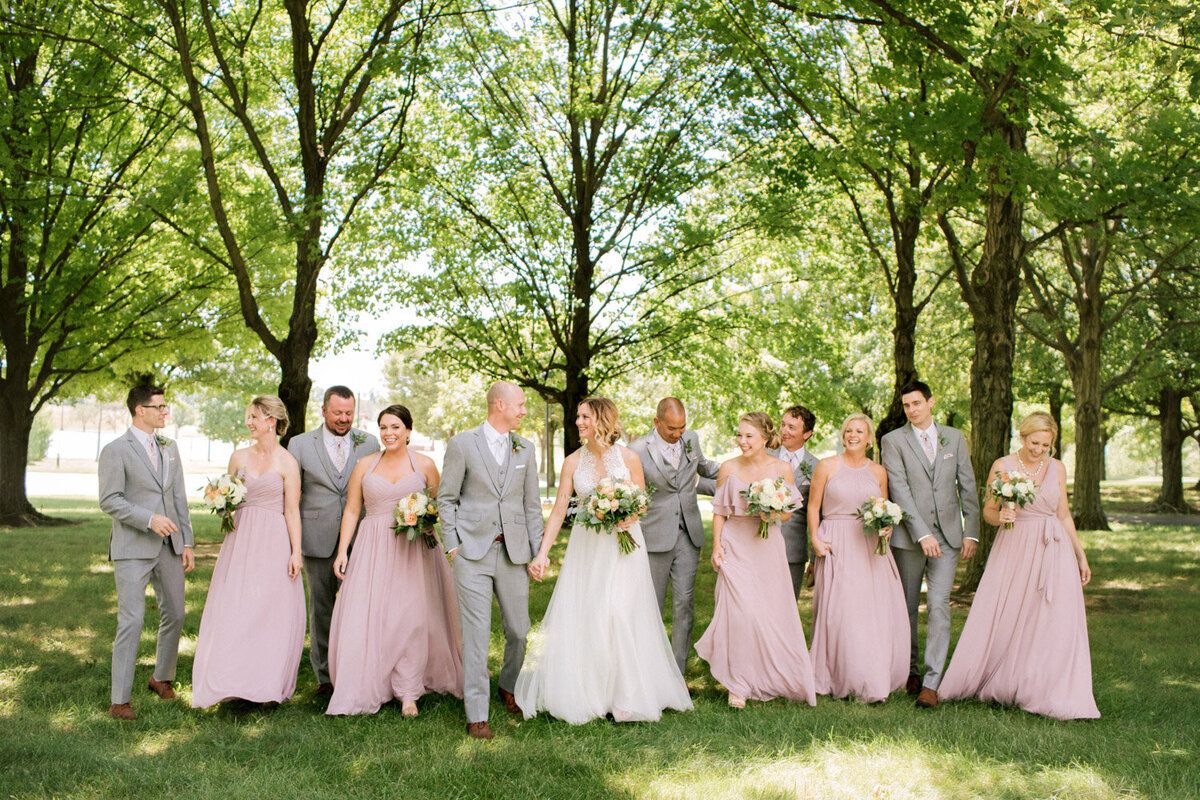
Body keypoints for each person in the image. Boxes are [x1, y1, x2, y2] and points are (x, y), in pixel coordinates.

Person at [516, 397, 692, 724]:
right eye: (578, 416)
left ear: (601, 419)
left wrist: (628, 516)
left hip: (624, 546)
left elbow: (641, 502)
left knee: (621, 613)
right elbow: (557, 513)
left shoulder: (628, 458)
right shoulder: (572, 462)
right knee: (592, 614)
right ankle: (593, 693)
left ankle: (625, 697)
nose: (578, 422)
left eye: (584, 416)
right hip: (588, 547)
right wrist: (542, 554)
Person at [939, 412, 1099, 720]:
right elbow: (988, 510)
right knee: (1010, 612)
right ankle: (1004, 679)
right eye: (1034, 442)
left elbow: (1063, 513)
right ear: (1022, 437)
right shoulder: (1003, 466)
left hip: (1053, 548)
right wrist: (1001, 517)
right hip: (1014, 546)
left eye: (1046, 445)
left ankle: (1045, 686)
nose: (1039, 450)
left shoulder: (1058, 468)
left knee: (1051, 616)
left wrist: (1080, 555)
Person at [326, 405, 463, 716]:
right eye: (384, 427)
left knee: (412, 617)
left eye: (396, 427)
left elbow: (439, 506)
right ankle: (372, 680)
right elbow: (351, 510)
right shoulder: (365, 465)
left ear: (408, 432)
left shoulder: (426, 465)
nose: (389, 433)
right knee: (373, 614)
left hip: (414, 550)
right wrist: (342, 550)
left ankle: (409, 691)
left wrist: (423, 518)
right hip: (372, 547)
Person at [438, 381, 544, 740]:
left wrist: (538, 551)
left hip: (514, 552)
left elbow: (531, 505)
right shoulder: (462, 444)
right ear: (500, 404)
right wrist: (453, 545)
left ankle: (508, 684)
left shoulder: (525, 449)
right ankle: (477, 713)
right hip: (472, 553)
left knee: (518, 629)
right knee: (476, 634)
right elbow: (446, 497)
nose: (524, 411)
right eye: (520, 405)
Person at [694, 412, 816, 708]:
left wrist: (772, 513)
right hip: (735, 545)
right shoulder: (728, 467)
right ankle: (739, 683)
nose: (742, 441)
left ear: (765, 438)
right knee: (740, 613)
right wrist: (716, 547)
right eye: (739, 435)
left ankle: (771, 674)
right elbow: (720, 511)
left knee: (768, 614)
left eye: (749, 436)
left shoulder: (781, 468)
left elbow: (788, 512)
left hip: (767, 546)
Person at [191, 396, 306, 708]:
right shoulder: (238, 457)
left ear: (271, 420)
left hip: (274, 541)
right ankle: (232, 681)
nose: (249, 423)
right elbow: (229, 500)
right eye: (248, 417)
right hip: (241, 540)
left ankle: (265, 685)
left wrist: (296, 552)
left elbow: (292, 511)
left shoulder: (288, 463)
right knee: (237, 607)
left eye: (254, 417)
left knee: (270, 611)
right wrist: (221, 504)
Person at [880, 380, 980, 709]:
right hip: (910, 539)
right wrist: (922, 533)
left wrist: (971, 531)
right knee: (906, 606)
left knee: (938, 605)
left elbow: (967, 484)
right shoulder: (892, 441)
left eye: (917, 404)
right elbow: (899, 488)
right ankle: (909, 670)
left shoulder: (954, 437)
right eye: (907, 405)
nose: (912, 410)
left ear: (931, 402)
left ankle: (932, 682)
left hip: (950, 536)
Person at [98, 385, 195, 720]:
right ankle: (119, 701)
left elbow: (178, 497)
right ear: (140, 410)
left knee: (178, 613)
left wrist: (187, 542)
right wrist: (148, 519)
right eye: (159, 407)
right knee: (132, 620)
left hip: (169, 547)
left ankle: (161, 677)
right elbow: (109, 500)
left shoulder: (170, 447)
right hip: (132, 547)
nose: (165, 412)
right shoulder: (116, 450)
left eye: (165, 406)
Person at [807, 413, 908, 703]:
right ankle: (837, 674)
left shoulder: (878, 472)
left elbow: (884, 507)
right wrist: (815, 539)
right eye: (848, 430)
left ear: (868, 437)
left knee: (868, 611)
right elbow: (814, 508)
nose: (853, 435)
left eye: (859, 431)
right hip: (836, 542)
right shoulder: (827, 466)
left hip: (868, 544)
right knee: (840, 611)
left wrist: (886, 526)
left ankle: (869, 674)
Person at [287, 386, 379, 695]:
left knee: (360, 607)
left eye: (349, 413)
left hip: (361, 540)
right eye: (337, 413)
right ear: (323, 411)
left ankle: (357, 670)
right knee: (322, 608)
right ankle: (325, 678)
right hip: (317, 539)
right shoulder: (299, 444)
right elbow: (290, 496)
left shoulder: (369, 443)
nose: (343, 419)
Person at [628, 397, 720, 676]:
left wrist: (745, 469)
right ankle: (649, 672)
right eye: (671, 428)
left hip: (689, 535)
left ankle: (677, 674)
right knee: (650, 606)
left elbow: (705, 469)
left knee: (685, 604)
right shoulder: (636, 450)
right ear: (656, 422)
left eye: (682, 427)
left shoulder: (691, 439)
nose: (678, 434)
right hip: (654, 536)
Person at [772, 405, 820, 599]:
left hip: (793, 552)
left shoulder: (817, 467)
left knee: (788, 608)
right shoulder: (765, 455)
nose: (784, 431)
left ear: (807, 433)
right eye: (783, 425)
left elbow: (820, 515)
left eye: (791, 427)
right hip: (759, 545)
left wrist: (815, 559)